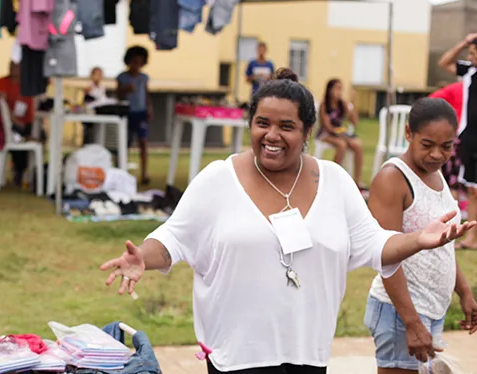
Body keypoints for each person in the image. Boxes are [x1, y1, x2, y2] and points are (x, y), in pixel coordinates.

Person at [99, 68, 476, 374]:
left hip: (307, 351)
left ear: (307, 131)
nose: (272, 135)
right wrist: (143, 257)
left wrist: (418, 240)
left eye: (286, 126)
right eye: (262, 123)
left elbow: (376, 244)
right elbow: (173, 240)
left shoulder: (334, 181)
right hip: (238, 355)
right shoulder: (219, 179)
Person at [364, 98, 477, 374]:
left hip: (429, 309)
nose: (437, 154)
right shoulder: (393, 178)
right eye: (427, 144)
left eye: (446, 146)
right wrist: (412, 322)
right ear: (408, 133)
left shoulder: (436, 175)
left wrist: (464, 291)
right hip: (401, 312)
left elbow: (442, 247)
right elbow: (385, 255)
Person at [439, 33, 477, 249]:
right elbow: (444, 62)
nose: (470, 57)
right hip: (470, 138)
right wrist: (464, 43)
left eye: (473, 53)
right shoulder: (469, 71)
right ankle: (471, 239)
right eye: (469, 54)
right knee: (472, 189)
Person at [0, 61, 39, 187]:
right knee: (18, 136)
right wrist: (14, 120)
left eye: (17, 66)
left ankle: (32, 172)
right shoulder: (3, 82)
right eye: (12, 66)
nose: (13, 69)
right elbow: (2, 104)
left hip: (26, 121)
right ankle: (19, 171)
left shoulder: (26, 85)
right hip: (8, 124)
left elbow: (31, 107)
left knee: (38, 135)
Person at [317, 78, 366, 189]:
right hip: (326, 134)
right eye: (337, 89)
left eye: (341, 89)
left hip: (340, 134)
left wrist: (352, 107)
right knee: (342, 145)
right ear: (330, 90)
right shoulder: (324, 105)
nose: (339, 92)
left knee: (358, 145)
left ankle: (357, 180)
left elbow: (354, 122)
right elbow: (327, 126)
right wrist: (339, 133)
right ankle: (334, 177)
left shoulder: (342, 104)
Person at [117, 46, 152, 185]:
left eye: (139, 62)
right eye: (134, 62)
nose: (136, 65)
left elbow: (147, 94)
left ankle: (144, 173)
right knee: (124, 143)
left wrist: (149, 108)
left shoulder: (144, 78)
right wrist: (125, 89)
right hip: (127, 112)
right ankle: (121, 171)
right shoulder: (122, 77)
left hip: (141, 113)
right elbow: (118, 95)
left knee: (143, 142)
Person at [429, 82, 465, 196]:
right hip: (457, 137)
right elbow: (431, 102)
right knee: (453, 180)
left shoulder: (459, 87)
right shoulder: (459, 88)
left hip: (459, 137)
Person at [83, 66, 108, 145]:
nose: (98, 76)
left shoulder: (102, 87)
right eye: (96, 74)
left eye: (100, 74)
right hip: (90, 113)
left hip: (100, 112)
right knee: (89, 134)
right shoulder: (88, 87)